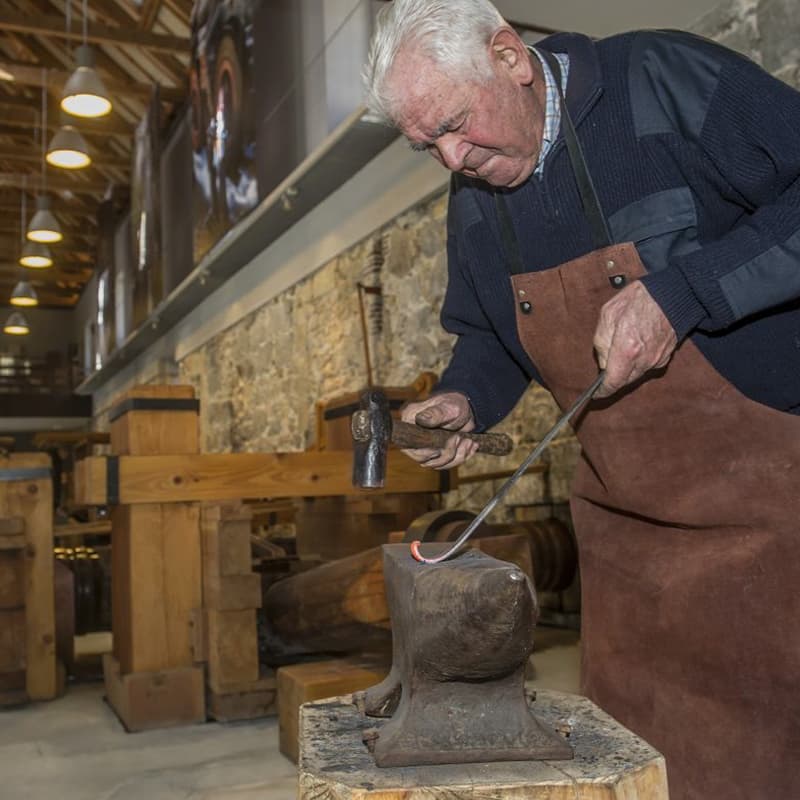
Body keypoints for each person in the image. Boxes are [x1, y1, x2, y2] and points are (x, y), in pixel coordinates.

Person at [363, 2, 800, 799]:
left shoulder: (660, 83)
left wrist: (686, 290)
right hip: (624, 542)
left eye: (456, 125)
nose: (453, 158)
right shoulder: (476, 196)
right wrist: (466, 397)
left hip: (773, 521)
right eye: (426, 145)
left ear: (510, 57)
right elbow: (492, 336)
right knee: (639, 766)